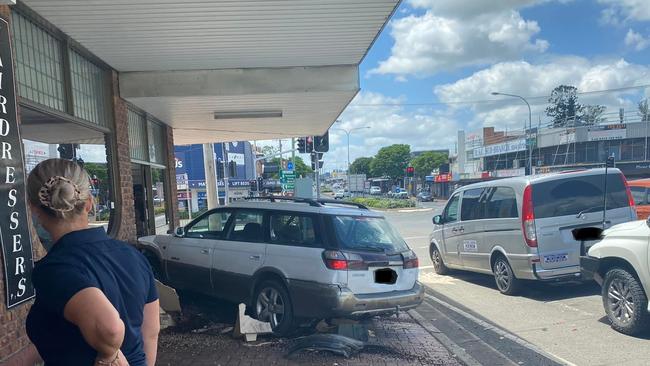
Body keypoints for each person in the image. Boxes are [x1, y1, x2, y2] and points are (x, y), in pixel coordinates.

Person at [25, 158, 160, 366]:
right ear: (89, 204)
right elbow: (150, 332)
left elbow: (110, 328)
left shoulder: (54, 269)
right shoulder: (134, 256)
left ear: (34, 209)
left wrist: (109, 356)